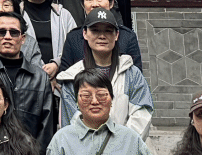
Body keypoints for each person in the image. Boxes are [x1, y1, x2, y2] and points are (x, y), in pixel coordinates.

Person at [55, 8, 153, 136]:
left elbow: (142, 115)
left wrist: (121, 143)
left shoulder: (132, 74)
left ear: (117, 35)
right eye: (95, 30)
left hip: (126, 146)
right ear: (85, 33)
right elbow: (71, 125)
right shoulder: (72, 77)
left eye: (108, 30)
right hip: (85, 148)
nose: (102, 36)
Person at [0, 11, 53, 143]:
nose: (7, 37)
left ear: (23, 38)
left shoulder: (40, 78)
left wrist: (35, 154)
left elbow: (46, 128)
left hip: (30, 153)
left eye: (13, 32)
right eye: (1, 32)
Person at [15, 0, 77, 77]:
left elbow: (75, 46)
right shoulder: (15, 15)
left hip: (61, 78)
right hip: (26, 78)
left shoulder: (64, 16)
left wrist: (57, 65)